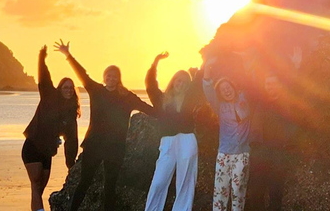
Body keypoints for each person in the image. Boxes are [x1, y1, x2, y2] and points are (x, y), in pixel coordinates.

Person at [54, 39, 155, 211]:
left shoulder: (126, 96)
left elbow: (147, 108)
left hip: (115, 148)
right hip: (94, 145)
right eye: (108, 75)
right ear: (104, 77)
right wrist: (68, 55)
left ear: (118, 79)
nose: (111, 78)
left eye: (114, 76)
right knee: (84, 183)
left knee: (110, 187)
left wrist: (168, 114)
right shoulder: (96, 90)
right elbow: (82, 74)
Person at [143, 51, 204, 211]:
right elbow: (150, 85)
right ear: (173, 81)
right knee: (158, 182)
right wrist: (155, 62)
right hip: (168, 142)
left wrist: (205, 59)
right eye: (178, 80)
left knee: (186, 183)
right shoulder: (162, 99)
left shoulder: (190, 98)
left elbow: (199, 81)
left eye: (184, 81)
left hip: (187, 140)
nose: (181, 83)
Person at [23, 45, 80, 211]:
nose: (68, 90)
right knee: (35, 184)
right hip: (32, 146)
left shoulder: (70, 113)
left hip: (47, 151)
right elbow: (44, 77)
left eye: (71, 88)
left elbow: (72, 139)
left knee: (39, 188)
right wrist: (42, 57)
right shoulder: (49, 96)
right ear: (59, 88)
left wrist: (71, 163)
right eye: (65, 87)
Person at [201, 53, 251, 211]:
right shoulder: (219, 107)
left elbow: (252, 84)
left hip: (242, 154)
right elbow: (207, 88)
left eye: (228, 87)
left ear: (234, 87)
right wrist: (207, 67)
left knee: (239, 192)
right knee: (220, 191)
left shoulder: (245, 100)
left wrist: (247, 62)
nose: (226, 91)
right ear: (220, 93)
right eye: (223, 90)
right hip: (224, 154)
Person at [245, 73, 298, 211]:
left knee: (276, 193)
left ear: (280, 86)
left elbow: (293, 126)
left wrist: (289, 146)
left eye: (274, 83)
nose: (270, 87)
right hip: (260, 153)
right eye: (268, 84)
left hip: (279, 154)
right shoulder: (260, 103)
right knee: (256, 192)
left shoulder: (287, 104)